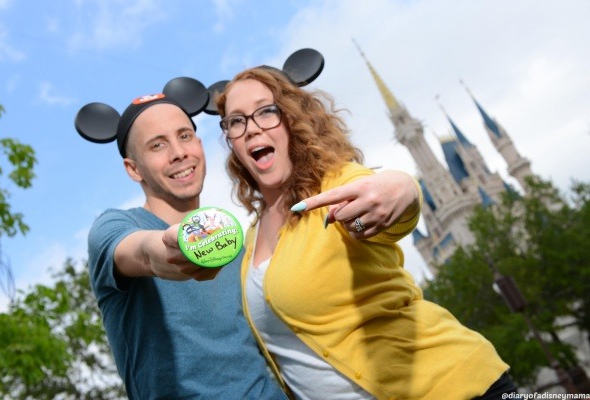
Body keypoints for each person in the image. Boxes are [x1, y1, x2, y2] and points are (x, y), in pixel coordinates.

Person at [80, 83, 414, 399]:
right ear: (133, 169)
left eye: (185, 136)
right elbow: (142, 252)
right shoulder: (114, 227)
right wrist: (173, 248)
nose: (179, 153)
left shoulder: (241, 250)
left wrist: (403, 186)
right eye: (157, 145)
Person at [215, 66, 518, 399]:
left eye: (266, 111)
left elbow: (385, 197)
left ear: (291, 119)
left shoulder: (337, 185)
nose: (251, 128)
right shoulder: (250, 238)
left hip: (454, 387)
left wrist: (403, 188)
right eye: (236, 121)